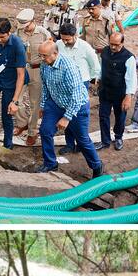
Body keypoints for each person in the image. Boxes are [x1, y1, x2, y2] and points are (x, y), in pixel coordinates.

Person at [37, 41, 102, 177]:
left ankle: (96, 166)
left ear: (55, 53)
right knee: (45, 131)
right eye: (40, 55)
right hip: (56, 104)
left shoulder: (68, 66)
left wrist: (66, 117)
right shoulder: (44, 65)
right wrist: (43, 105)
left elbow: (77, 95)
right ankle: (50, 163)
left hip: (77, 107)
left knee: (82, 140)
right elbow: (45, 86)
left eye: (44, 56)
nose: (42, 59)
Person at [56, 23, 101, 154]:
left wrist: (91, 80)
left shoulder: (85, 47)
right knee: (67, 113)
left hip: (81, 83)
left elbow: (95, 66)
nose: (64, 42)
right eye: (63, 39)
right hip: (64, 85)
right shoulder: (59, 44)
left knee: (79, 115)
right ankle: (69, 144)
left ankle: (82, 142)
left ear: (75, 35)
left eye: (67, 40)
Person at [0, 17, 27, 150]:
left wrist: (15, 101)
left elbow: (21, 75)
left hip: (12, 81)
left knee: (7, 113)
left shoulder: (17, 45)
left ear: (9, 32)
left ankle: (7, 143)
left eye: (2, 37)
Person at [14, 8, 50, 146]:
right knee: (17, 98)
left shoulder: (43, 33)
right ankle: (22, 123)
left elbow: (52, 50)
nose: (25, 28)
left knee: (35, 103)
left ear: (33, 21)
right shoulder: (18, 32)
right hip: (22, 69)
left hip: (38, 69)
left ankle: (32, 131)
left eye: (27, 25)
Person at [95, 33, 136, 152]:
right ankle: (105, 141)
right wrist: (98, 78)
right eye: (111, 44)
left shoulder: (128, 58)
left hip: (120, 93)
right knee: (103, 116)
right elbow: (101, 67)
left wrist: (128, 96)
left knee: (120, 116)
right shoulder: (105, 52)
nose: (113, 47)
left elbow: (131, 78)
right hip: (105, 90)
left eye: (116, 45)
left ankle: (118, 137)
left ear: (122, 43)